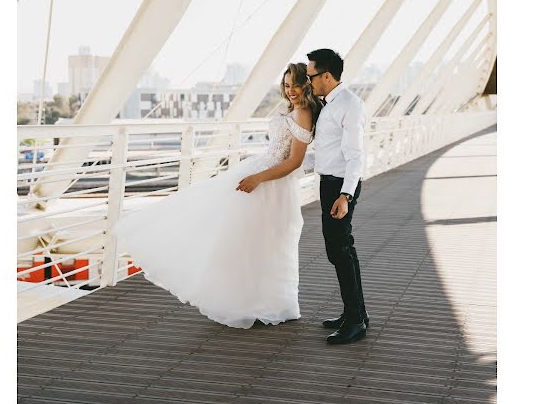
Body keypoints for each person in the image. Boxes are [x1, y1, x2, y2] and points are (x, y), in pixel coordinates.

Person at [113, 62, 321, 329]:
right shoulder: (292, 110)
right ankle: (249, 301)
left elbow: (293, 162)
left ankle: (271, 304)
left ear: (307, 84)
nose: (291, 90)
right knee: (246, 242)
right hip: (260, 175)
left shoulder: (303, 113)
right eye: (287, 84)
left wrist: (257, 178)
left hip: (271, 185)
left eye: (296, 84)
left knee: (268, 244)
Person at [306, 48, 369, 345]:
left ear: (326, 76)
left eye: (311, 76)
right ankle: (355, 313)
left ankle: (355, 322)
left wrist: (345, 195)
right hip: (329, 184)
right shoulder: (329, 104)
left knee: (340, 252)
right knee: (341, 251)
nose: (309, 81)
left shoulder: (349, 105)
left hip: (340, 187)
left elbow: (356, 155)